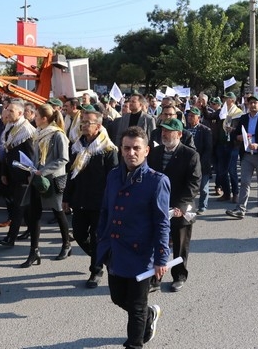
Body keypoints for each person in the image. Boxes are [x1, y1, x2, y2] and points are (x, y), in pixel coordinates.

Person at [96, 126, 170, 348]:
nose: (131, 153)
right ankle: (149, 314)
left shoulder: (157, 181)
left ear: (146, 150)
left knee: (136, 307)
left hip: (141, 253)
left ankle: (135, 343)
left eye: (136, 148)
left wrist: (161, 258)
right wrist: (101, 238)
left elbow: (162, 222)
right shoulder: (113, 175)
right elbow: (106, 210)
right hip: (115, 250)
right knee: (118, 298)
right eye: (127, 148)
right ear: (121, 149)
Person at [62, 105, 118, 288]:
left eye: (88, 122)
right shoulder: (77, 146)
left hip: (99, 202)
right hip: (80, 200)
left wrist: (111, 203)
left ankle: (96, 270)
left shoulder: (108, 150)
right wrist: (66, 198)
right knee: (78, 234)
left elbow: (114, 180)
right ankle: (102, 256)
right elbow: (71, 174)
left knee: (96, 237)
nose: (84, 125)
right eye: (82, 121)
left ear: (99, 126)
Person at [147, 118, 200, 293]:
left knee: (180, 245)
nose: (164, 134)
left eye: (169, 131)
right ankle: (155, 278)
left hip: (179, 208)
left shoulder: (190, 154)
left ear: (179, 134)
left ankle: (179, 276)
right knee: (157, 244)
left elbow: (193, 183)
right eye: (163, 130)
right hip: (157, 206)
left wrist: (180, 207)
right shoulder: (155, 152)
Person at [20, 103, 72, 267]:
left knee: (58, 212)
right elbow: (37, 156)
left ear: (44, 118)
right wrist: (31, 169)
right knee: (34, 213)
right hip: (37, 177)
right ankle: (34, 251)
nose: (33, 118)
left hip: (52, 179)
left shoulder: (58, 134)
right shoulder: (39, 132)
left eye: (36, 116)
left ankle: (66, 244)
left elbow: (63, 159)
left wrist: (43, 170)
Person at [226, 95, 258, 219]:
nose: (253, 105)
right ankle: (240, 209)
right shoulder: (243, 118)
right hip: (246, 155)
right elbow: (237, 134)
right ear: (247, 105)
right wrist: (237, 137)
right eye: (250, 103)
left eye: (255, 103)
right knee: (244, 182)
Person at [0, 99, 35, 246]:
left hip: (23, 176)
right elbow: (7, 152)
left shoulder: (27, 131)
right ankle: (31, 230)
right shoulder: (10, 127)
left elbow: (31, 156)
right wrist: (4, 172)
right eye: (7, 109)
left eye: (11, 110)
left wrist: (28, 176)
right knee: (23, 207)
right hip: (12, 174)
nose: (7, 112)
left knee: (18, 207)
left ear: (20, 113)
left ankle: (10, 238)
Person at [185, 107, 212, 214]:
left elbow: (208, 149)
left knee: (203, 187)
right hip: (188, 162)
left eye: (192, 116)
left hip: (202, 162)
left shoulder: (206, 130)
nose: (189, 118)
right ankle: (188, 206)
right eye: (189, 115)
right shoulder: (185, 129)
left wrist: (200, 161)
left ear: (198, 118)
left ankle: (202, 206)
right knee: (189, 186)